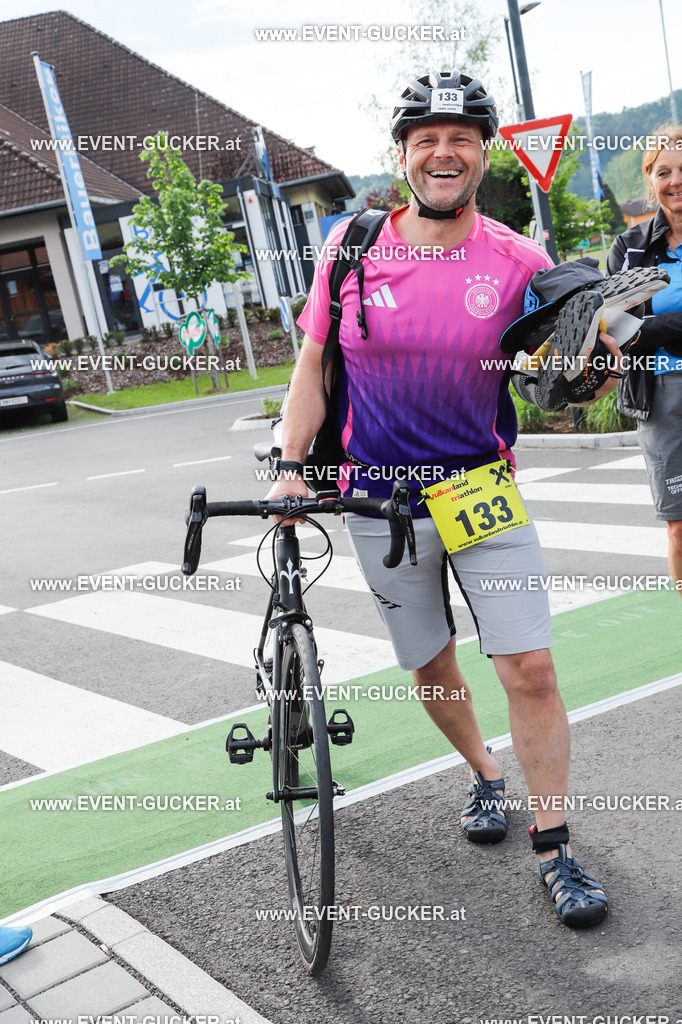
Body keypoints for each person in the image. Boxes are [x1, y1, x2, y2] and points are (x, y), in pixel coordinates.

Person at [267, 71, 620, 927]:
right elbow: (312, 369)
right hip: (374, 497)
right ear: (403, 156)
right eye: (426, 138)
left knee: (529, 667)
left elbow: (572, 367)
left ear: (484, 154)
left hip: (476, 485)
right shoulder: (350, 249)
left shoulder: (520, 259)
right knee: (429, 663)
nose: (444, 152)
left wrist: (591, 365)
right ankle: (486, 777)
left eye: (461, 137)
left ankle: (556, 847)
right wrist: (288, 465)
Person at [608, 125, 682, 596]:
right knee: (678, 525)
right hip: (659, 399)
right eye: (664, 172)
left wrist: (652, 328)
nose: (675, 181)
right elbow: (614, 329)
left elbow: (639, 328)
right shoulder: (629, 249)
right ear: (649, 180)